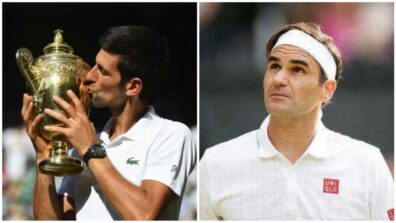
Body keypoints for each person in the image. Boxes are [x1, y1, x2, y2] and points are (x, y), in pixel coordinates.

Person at [199, 22, 394, 220]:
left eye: (297, 70)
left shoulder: (367, 164)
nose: (279, 79)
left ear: (327, 89)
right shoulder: (215, 163)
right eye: (274, 66)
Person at [21, 25, 196, 220]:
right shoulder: (85, 143)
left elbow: (144, 214)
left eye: (102, 71)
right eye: (94, 65)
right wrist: (42, 155)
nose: (89, 76)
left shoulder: (172, 135)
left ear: (133, 86)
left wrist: (91, 149)